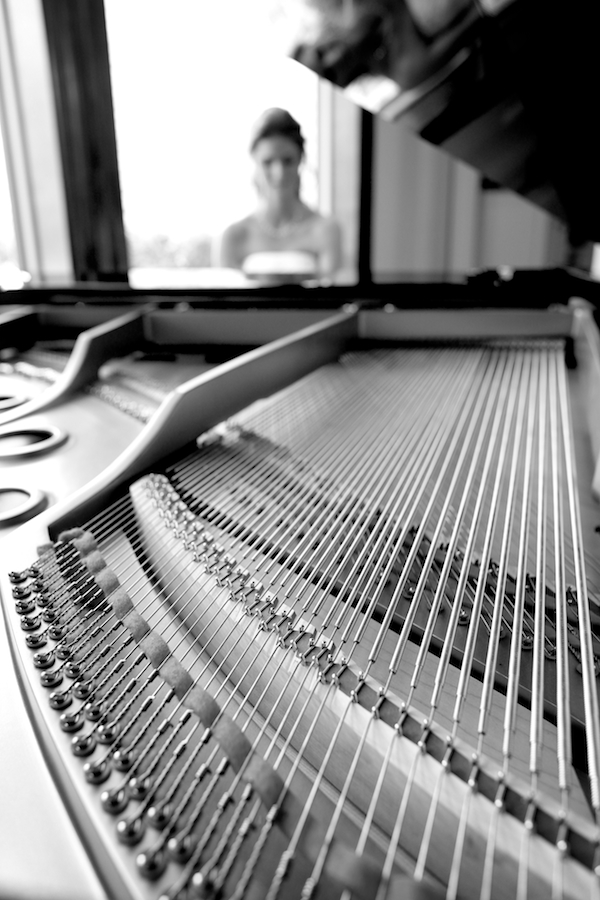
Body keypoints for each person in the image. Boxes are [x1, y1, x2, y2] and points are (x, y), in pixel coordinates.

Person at [219, 108, 341, 283]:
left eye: (288, 161)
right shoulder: (234, 235)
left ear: (300, 159)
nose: (279, 173)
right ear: (254, 160)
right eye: (268, 162)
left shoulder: (326, 230)